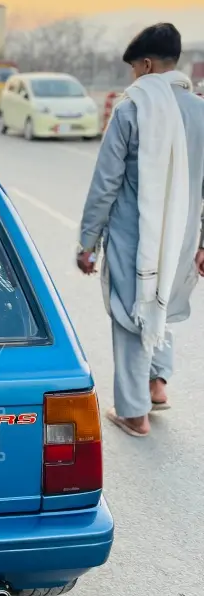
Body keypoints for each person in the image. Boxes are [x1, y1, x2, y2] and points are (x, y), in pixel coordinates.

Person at [77, 23, 204, 437]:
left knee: (130, 312)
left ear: (146, 65)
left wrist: (88, 241)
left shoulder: (132, 109)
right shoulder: (200, 111)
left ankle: (134, 413)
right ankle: (157, 384)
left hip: (137, 239)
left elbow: (105, 183)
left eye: (134, 68)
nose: (133, 76)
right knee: (161, 301)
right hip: (182, 238)